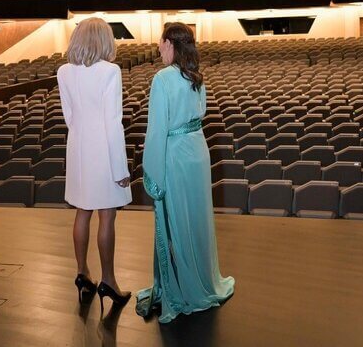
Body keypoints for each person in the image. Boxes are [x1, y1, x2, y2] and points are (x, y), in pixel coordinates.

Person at [136, 23, 235, 323]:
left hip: (176, 156)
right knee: (197, 220)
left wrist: (152, 173)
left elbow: (156, 131)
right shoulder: (196, 76)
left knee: (176, 223)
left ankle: (183, 289)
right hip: (197, 152)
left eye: (161, 42)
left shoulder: (162, 79)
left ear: (170, 44)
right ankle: (203, 279)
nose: (158, 48)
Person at [57, 17, 132, 307]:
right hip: (103, 150)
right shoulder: (109, 71)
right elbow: (113, 123)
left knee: (82, 212)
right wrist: (120, 167)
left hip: (78, 149)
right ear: (104, 40)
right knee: (107, 216)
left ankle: (82, 273)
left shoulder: (64, 72)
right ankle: (109, 280)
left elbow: (70, 118)